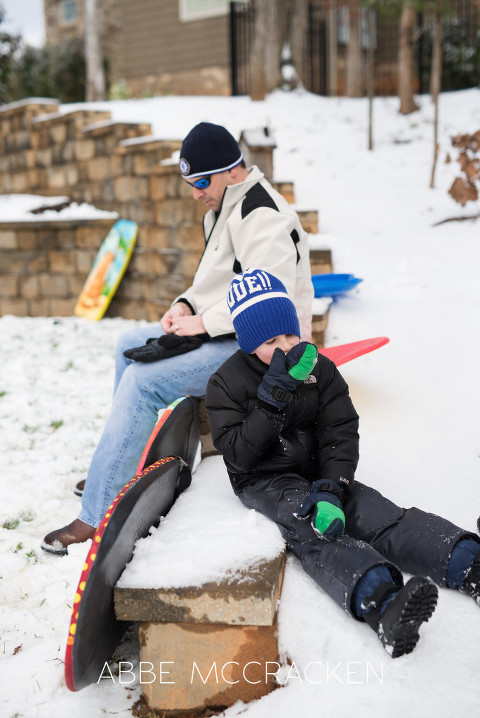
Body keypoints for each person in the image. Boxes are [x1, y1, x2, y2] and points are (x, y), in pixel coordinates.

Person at [42, 123, 314, 555]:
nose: (195, 193)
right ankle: (119, 468)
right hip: (231, 331)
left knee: (141, 381)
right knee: (127, 344)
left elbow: (270, 299)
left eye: (201, 182)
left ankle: (96, 516)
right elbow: (213, 281)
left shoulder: (260, 215)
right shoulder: (224, 207)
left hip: (266, 349)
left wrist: (204, 324)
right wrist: (186, 306)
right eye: (190, 183)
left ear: (231, 171)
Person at [205, 268, 480, 657]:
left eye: (290, 334)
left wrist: (333, 485)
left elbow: (340, 430)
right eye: (270, 341)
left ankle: (468, 563)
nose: (285, 347)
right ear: (249, 344)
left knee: (374, 512)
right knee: (313, 525)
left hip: (319, 467)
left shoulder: (319, 368)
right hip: (264, 479)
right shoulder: (225, 383)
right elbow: (238, 454)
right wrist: (271, 400)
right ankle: (383, 602)